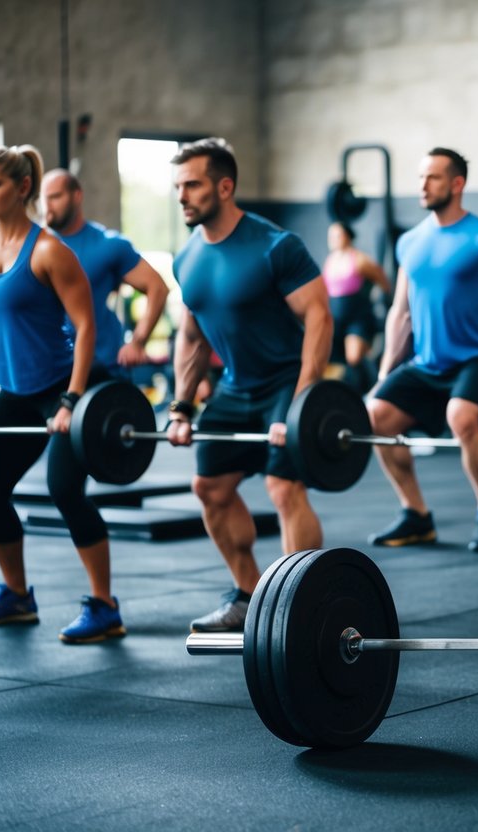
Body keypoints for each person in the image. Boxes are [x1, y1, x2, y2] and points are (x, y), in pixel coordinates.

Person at [167, 137, 332, 632]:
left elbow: (320, 319)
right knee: (209, 487)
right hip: (235, 388)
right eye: (177, 186)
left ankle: (304, 602)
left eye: (192, 184)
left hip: (284, 383)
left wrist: (302, 402)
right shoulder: (186, 258)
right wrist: (180, 406)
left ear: (224, 185)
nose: (182, 196)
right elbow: (192, 339)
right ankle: (247, 594)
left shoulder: (276, 246)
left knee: (284, 487)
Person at [0, 145, 124, 643]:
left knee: (65, 490)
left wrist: (71, 401)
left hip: (64, 388)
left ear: (21, 188)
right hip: (14, 391)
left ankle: (105, 606)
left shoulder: (49, 250)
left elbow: (85, 328)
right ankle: (16, 594)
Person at [366, 147, 478, 553]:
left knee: (461, 416)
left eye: (433, 177)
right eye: (421, 177)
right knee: (375, 418)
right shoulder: (409, 242)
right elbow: (401, 312)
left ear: (457, 184)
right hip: (427, 363)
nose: (423, 185)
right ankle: (415, 514)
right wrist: (388, 367)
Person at [41, 168, 170, 379]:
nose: (48, 206)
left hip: (104, 369)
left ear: (77, 195)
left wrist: (138, 342)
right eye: (44, 199)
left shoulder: (108, 245)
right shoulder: (36, 247)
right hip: (53, 369)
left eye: (55, 197)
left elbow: (158, 288)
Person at [323, 221, 389, 394]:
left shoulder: (360, 260)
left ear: (347, 236)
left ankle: (375, 388)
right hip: (336, 319)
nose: (332, 240)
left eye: (336, 235)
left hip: (357, 317)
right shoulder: (330, 261)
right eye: (330, 236)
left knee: (354, 357)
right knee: (334, 360)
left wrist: (381, 300)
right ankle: (348, 394)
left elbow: (383, 281)